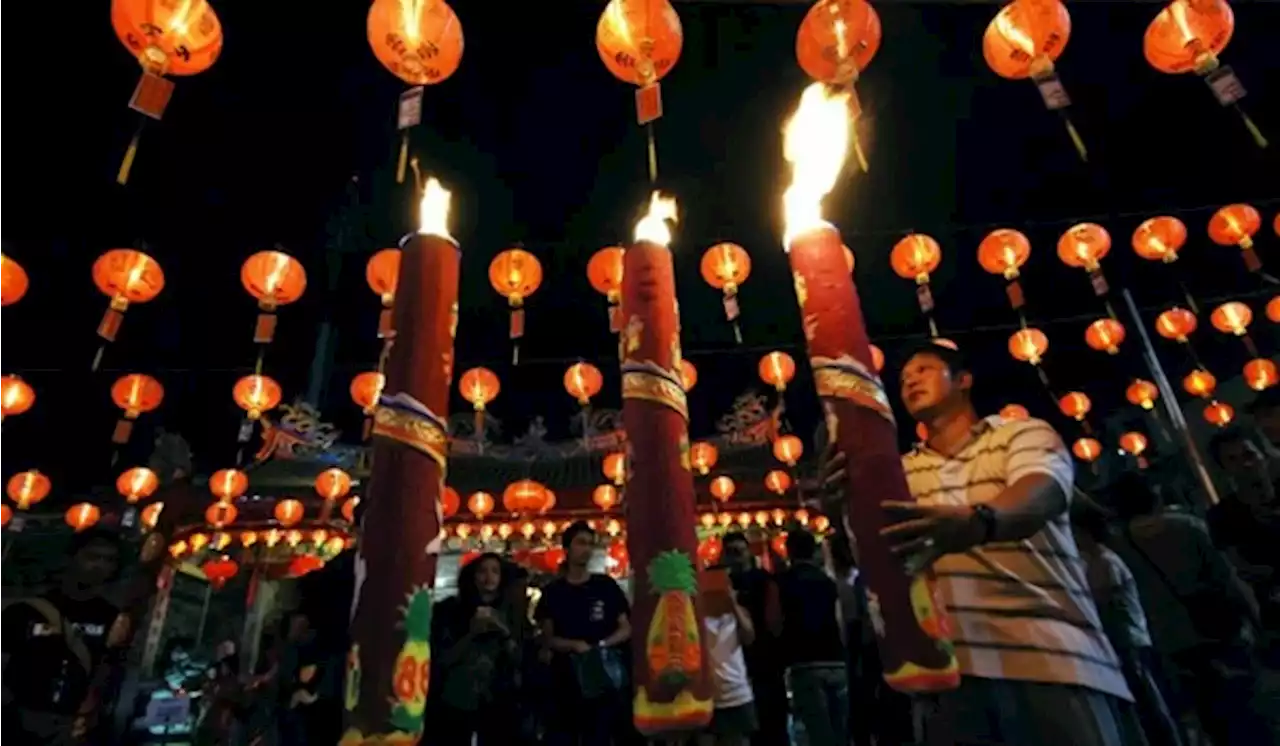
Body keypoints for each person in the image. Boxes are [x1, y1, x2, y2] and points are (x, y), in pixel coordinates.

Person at [826, 341, 1134, 746]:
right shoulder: (903, 473)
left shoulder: (1021, 435)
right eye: (903, 379)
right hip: (951, 675)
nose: (910, 381)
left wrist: (981, 522)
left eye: (924, 369)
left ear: (964, 380)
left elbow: (1040, 492)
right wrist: (842, 506)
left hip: (1053, 662)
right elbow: (877, 546)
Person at [1108, 470, 1275, 746]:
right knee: (1249, 711)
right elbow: (1227, 579)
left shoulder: (1118, 547)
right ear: (1154, 494)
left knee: (1209, 721)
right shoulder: (1186, 526)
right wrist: (1257, 622)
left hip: (1170, 647)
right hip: (1217, 633)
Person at [1071, 494, 1181, 746]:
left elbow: (1096, 600)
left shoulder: (1104, 561)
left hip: (1128, 643)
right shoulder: (1097, 560)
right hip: (1126, 642)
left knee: (1149, 704)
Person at [0, 527, 126, 746]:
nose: (100, 566)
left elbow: (111, 672)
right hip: (17, 722)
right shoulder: (27, 611)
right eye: (92, 556)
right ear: (71, 558)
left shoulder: (113, 619)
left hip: (74, 728)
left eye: (109, 560)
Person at [535, 521, 631, 746]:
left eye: (590, 544)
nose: (586, 549)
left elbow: (625, 627)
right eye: (580, 543)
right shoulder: (553, 592)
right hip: (566, 678)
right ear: (566, 549)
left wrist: (602, 644)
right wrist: (573, 645)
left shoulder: (605, 586)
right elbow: (548, 638)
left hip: (604, 674)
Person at [429, 552, 523, 746]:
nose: (489, 577)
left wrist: (503, 632)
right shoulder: (450, 610)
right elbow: (442, 659)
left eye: (495, 571)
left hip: (496, 700)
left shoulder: (512, 611)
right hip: (456, 698)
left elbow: (520, 658)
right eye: (482, 571)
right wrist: (471, 633)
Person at [1206, 426, 1280, 647]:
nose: (1245, 464)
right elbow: (1237, 571)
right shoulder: (1222, 516)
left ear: (1262, 455)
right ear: (1225, 469)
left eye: (1249, 455)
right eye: (1233, 460)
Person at [775, 529, 848, 746]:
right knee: (840, 731)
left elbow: (777, 623)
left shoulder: (783, 583)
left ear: (788, 552)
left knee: (818, 734)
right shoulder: (827, 581)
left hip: (804, 665)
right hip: (836, 661)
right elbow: (840, 619)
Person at [720, 531, 787, 746]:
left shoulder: (765, 581)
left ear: (748, 552)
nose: (735, 558)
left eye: (738, 552)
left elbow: (774, 622)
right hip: (735, 666)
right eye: (730, 553)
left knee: (771, 727)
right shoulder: (720, 586)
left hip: (765, 664)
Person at [700, 566, 758, 746]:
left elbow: (749, 636)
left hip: (737, 692)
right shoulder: (698, 617)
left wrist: (732, 604)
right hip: (708, 697)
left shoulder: (737, 614)